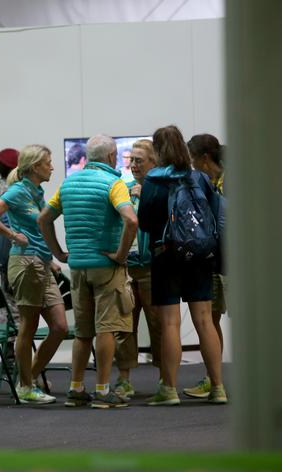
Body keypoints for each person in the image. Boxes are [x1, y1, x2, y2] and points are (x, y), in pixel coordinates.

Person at [38, 134, 138, 409]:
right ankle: (103, 391)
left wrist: (57, 252)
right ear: (109, 157)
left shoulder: (68, 184)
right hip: (106, 267)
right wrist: (120, 254)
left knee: (83, 331)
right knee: (106, 328)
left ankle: (76, 388)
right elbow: (131, 220)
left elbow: (43, 218)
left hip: (78, 267)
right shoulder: (114, 183)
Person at [138, 125, 227, 405]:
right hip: (201, 256)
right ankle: (218, 388)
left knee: (170, 323)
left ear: (157, 150)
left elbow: (145, 222)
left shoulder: (153, 180)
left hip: (167, 256)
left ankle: (169, 390)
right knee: (205, 321)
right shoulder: (199, 178)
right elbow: (214, 214)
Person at [0, 144, 68, 404]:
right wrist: (12, 235)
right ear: (33, 167)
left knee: (60, 326)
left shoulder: (37, 192)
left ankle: (26, 379)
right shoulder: (17, 190)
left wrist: (52, 257)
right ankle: (27, 385)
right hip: (25, 263)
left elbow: (41, 229)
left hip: (41, 262)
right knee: (27, 326)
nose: (52, 167)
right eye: (48, 162)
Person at [113, 139, 162, 399]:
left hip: (155, 269)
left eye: (139, 160)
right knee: (124, 327)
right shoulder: (122, 189)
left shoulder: (164, 190)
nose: (133, 165)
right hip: (126, 269)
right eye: (131, 160)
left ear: (154, 162)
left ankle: (167, 380)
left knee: (160, 327)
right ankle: (124, 380)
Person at [184, 133, 227, 398]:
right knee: (212, 319)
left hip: (233, 262)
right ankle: (213, 380)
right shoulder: (210, 181)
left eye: (192, 160)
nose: (191, 166)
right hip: (215, 261)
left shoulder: (230, 181)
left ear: (203, 158)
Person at [0, 148, 20, 325]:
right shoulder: (16, 188)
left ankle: (9, 350)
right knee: (18, 306)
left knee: (9, 302)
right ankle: (18, 350)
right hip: (17, 250)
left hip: (1, 251)